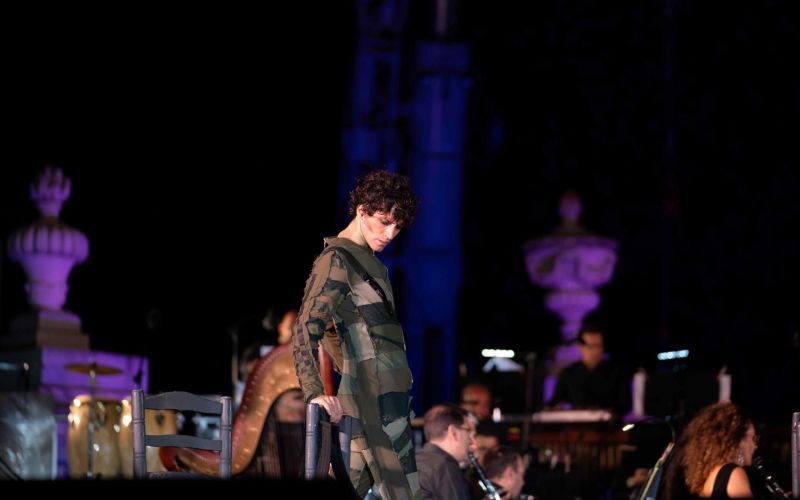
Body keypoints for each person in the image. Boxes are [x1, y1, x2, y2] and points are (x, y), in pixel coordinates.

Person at [292, 169, 420, 499]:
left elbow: (336, 329)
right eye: (383, 221)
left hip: (385, 398)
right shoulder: (338, 259)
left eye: (397, 226)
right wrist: (313, 392)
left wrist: (348, 365)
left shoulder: (369, 262)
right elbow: (307, 326)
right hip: (373, 402)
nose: (390, 233)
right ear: (362, 210)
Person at [658, 401, 758, 499]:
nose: (755, 446)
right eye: (753, 438)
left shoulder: (709, 476)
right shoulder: (734, 474)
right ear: (738, 439)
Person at [549, 324, 631, 417]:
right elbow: (555, 402)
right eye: (591, 346)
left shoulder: (617, 372)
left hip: (608, 423)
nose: (596, 351)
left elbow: (625, 405)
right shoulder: (568, 373)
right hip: (577, 423)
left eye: (599, 346)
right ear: (580, 346)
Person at [416, 403, 475, 500]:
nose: (471, 441)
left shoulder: (415, 463)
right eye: (468, 431)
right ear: (453, 432)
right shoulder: (445, 466)